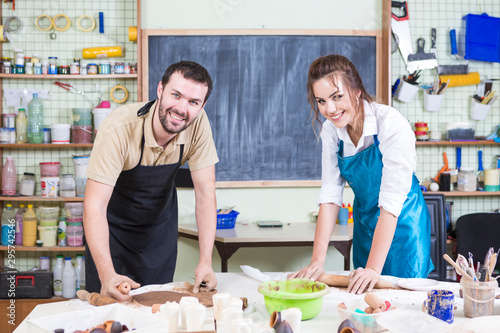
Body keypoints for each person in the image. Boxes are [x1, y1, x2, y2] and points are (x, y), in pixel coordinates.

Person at [289, 55, 434, 294]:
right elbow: (331, 194)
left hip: (403, 222)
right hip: (366, 223)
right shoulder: (331, 131)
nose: (330, 109)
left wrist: (374, 269)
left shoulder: (390, 124)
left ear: (356, 91)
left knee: (402, 300)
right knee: (365, 299)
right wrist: (317, 261)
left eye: (337, 97)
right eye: (321, 101)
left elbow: (390, 203)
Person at [83, 61, 219, 301]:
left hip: (158, 232)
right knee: (110, 316)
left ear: (202, 105)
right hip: (112, 231)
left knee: (157, 312)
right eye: (176, 95)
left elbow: (206, 193)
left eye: (193, 102)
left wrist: (205, 262)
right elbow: (94, 206)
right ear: (160, 90)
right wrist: (107, 275)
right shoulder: (118, 129)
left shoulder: (198, 124)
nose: (181, 108)